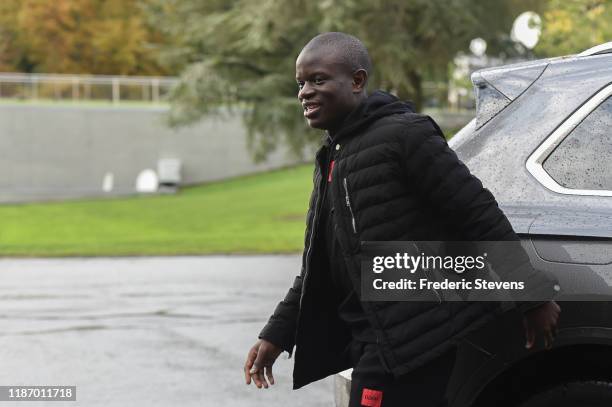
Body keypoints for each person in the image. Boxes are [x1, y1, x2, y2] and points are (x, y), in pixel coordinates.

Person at [243, 32, 561, 407]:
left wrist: (532, 296)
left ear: (357, 81)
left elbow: (476, 213)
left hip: (414, 341)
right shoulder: (333, 156)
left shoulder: (404, 135)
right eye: (301, 83)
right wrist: (278, 334)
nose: (305, 92)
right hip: (371, 337)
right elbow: (322, 263)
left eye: (318, 80)